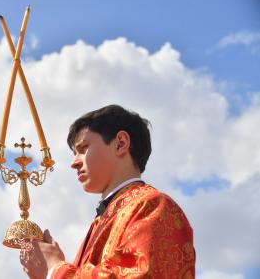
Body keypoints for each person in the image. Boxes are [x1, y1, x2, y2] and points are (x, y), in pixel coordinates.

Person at [20, 104, 196, 279]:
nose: (74, 162)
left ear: (120, 144)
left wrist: (55, 270)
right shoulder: (102, 218)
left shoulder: (152, 205)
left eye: (83, 149)